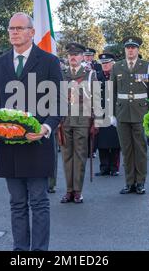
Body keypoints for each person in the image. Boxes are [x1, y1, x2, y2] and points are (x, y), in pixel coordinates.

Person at [0, 12, 62, 251]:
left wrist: (46, 127)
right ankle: (20, 251)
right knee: (17, 203)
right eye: (11, 28)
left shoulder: (49, 62)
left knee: (39, 202)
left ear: (31, 32)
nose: (14, 32)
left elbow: (58, 103)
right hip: (8, 145)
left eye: (20, 28)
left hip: (37, 144)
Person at [111, 37, 149, 195]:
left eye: (133, 48)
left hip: (141, 113)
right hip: (122, 113)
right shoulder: (117, 67)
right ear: (124, 50)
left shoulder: (147, 66)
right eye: (128, 47)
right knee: (126, 150)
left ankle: (140, 182)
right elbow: (112, 91)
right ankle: (129, 182)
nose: (130, 50)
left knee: (141, 149)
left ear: (138, 50)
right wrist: (111, 114)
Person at [59, 43, 97, 204]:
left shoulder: (89, 74)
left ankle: (78, 191)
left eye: (76, 55)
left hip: (82, 120)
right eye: (70, 55)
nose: (73, 57)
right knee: (67, 156)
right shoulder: (61, 74)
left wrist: (96, 121)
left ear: (82, 57)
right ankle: (69, 190)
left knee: (80, 156)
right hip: (65, 120)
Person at [95, 53, 120, 176]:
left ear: (112, 63)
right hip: (101, 112)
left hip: (115, 112)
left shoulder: (118, 77)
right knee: (102, 142)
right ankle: (104, 167)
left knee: (115, 142)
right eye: (103, 63)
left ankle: (114, 167)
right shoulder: (97, 77)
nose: (104, 65)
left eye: (107, 63)